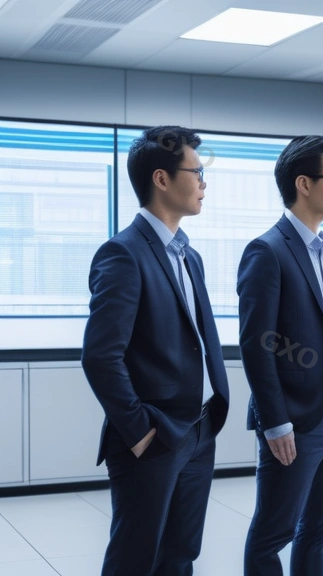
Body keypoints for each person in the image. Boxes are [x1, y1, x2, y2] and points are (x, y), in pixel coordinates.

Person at [81, 125, 230, 576]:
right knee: (135, 560)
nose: (204, 183)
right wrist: (138, 430)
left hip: (198, 429)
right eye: (196, 172)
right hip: (154, 436)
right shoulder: (123, 253)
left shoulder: (188, 254)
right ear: (161, 179)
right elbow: (101, 356)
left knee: (181, 556)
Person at [238, 135, 323, 576]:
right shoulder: (267, 250)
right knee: (274, 534)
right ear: (304, 184)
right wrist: (275, 421)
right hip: (293, 419)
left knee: (320, 530)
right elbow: (257, 345)